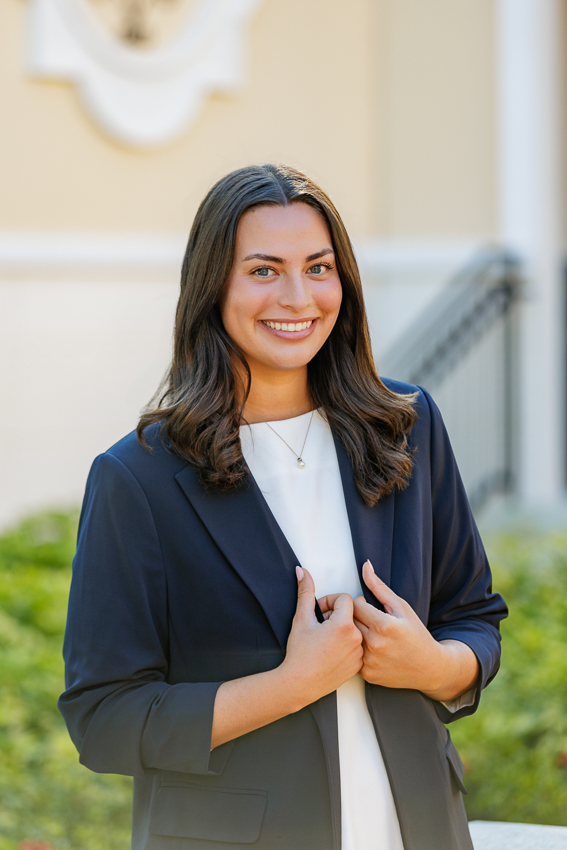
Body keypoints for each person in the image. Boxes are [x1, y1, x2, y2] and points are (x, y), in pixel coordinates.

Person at [59, 163, 507, 850]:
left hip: (418, 830)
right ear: (214, 286)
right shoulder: (139, 478)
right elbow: (104, 718)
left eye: (318, 267)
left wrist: (433, 667)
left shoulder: (406, 426)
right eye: (263, 270)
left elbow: (472, 617)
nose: (297, 297)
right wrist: (290, 685)